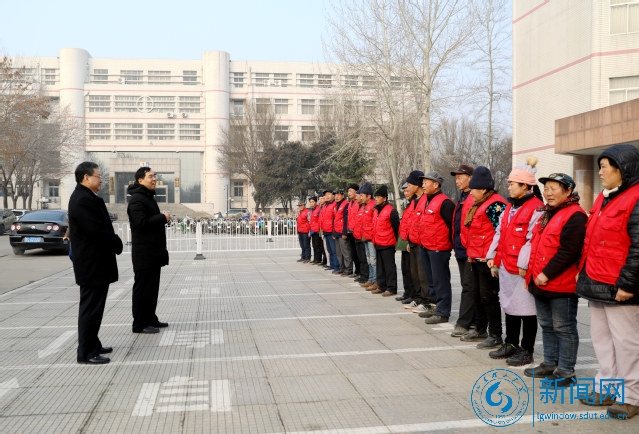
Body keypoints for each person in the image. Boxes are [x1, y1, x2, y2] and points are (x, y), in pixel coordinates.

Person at [576, 144, 639, 419]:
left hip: (620, 286)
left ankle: (632, 397)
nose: (600, 172)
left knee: (627, 344)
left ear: (622, 168)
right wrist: (582, 271)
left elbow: (638, 247)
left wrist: (628, 284)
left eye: (604, 167)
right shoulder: (605, 199)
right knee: (602, 340)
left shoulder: (635, 198)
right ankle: (608, 388)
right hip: (597, 281)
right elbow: (591, 240)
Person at [524, 173, 586, 388]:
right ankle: (550, 363)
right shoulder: (548, 213)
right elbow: (537, 246)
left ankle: (566, 371)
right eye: (546, 188)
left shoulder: (575, 216)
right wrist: (531, 275)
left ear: (568, 191)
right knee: (547, 326)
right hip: (540, 282)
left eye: (554, 188)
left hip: (561, 285)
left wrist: (547, 274)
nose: (548, 193)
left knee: (564, 327)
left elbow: (569, 251)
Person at [486, 157, 543, 366]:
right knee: (509, 305)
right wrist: (493, 257)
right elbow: (500, 233)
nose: (509, 187)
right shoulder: (510, 208)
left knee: (526, 310)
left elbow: (532, 239)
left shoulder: (537, 208)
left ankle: (527, 350)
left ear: (526, 186)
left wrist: (524, 264)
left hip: (522, 269)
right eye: (509, 183)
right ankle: (510, 343)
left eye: (512, 184)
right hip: (506, 266)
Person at [68, 161, 123, 364]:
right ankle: (86, 352)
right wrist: (116, 242)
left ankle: (93, 342)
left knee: (95, 307)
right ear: (86, 177)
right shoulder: (82, 200)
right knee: (90, 308)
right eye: (98, 176)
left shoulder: (87, 197)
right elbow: (97, 231)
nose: (101, 180)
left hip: (96, 263)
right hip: (91, 264)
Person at [461, 166, 507, 349]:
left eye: (474, 189)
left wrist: (495, 258)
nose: (471, 193)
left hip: (488, 260)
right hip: (475, 257)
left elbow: (502, 233)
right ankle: (480, 329)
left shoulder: (496, 205)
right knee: (477, 295)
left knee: (489, 297)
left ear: (484, 189)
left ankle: (495, 334)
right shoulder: (479, 204)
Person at [127, 167, 171, 334]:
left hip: (153, 252)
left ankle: (150, 318)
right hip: (144, 253)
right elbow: (141, 223)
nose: (154, 179)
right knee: (143, 288)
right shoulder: (137, 200)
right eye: (150, 176)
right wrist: (162, 217)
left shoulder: (148, 197)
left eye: (155, 176)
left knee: (152, 288)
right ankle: (139, 323)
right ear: (140, 180)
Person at [418, 172, 454, 324]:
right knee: (431, 280)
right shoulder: (426, 200)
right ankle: (435, 306)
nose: (423, 185)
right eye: (423, 182)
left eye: (426, 182)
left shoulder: (445, 203)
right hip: (426, 246)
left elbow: (452, 226)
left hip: (439, 248)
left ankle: (443, 312)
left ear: (436, 185)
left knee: (441, 281)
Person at [449, 164, 475, 337]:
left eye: (460, 178)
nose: (457, 181)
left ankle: (465, 323)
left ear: (470, 178)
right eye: (456, 178)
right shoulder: (462, 197)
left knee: (469, 287)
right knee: (467, 285)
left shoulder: (473, 197)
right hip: (460, 247)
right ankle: (472, 321)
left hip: (469, 249)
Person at [370, 185, 400, 296]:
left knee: (389, 267)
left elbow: (396, 228)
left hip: (388, 243)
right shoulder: (376, 210)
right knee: (380, 267)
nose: (376, 199)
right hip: (377, 242)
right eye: (376, 197)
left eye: (379, 197)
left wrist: (394, 241)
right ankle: (382, 286)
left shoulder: (391, 211)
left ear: (385, 198)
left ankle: (391, 288)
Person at [358, 182, 378, 291]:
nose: (361, 197)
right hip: (365, 236)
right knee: (369, 259)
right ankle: (371, 279)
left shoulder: (373, 206)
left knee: (373, 260)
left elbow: (374, 222)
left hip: (371, 237)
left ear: (369, 196)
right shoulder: (365, 206)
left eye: (362, 195)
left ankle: (376, 281)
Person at [396, 182, 413, 301]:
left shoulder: (415, 203)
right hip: (404, 240)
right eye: (404, 191)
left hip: (410, 241)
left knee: (411, 271)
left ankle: (412, 294)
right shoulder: (408, 204)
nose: (406, 193)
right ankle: (407, 293)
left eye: (408, 190)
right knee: (405, 269)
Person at [333, 189, 353, 275]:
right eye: (335, 195)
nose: (336, 197)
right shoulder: (336, 205)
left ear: (342, 196)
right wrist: (334, 232)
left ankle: (348, 269)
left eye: (338, 195)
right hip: (337, 231)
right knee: (339, 252)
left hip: (342, 232)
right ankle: (342, 268)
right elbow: (335, 219)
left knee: (346, 252)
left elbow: (346, 220)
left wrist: (345, 232)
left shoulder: (346, 204)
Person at [320, 190, 338, 272]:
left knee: (334, 250)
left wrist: (334, 231)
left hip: (331, 231)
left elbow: (335, 219)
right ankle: (331, 265)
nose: (327, 196)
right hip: (326, 230)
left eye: (329, 194)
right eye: (326, 195)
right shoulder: (325, 206)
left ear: (333, 195)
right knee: (329, 250)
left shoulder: (334, 205)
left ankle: (336, 266)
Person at [346, 184, 360, 277]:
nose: (349, 193)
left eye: (351, 191)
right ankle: (357, 271)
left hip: (357, 232)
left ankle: (361, 272)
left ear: (356, 191)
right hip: (350, 231)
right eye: (348, 191)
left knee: (359, 254)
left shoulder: (358, 203)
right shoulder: (350, 203)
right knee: (353, 253)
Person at [308, 196, 323, 265]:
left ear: (316, 202)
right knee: (314, 245)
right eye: (310, 202)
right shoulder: (311, 210)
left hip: (317, 230)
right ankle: (315, 259)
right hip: (312, 230)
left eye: (313, 202)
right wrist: (310, 230)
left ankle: (318, 259)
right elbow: (311, 221)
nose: (311, 203)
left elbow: (319, 220)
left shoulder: (319, 209)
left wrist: (319, 229)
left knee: (317, 246)